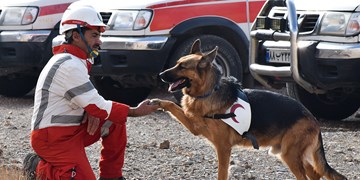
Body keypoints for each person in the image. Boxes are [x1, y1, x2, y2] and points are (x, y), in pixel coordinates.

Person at [23, 4, 159, 180]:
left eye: (99, 35)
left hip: (70, 132)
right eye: (94, 35)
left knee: (113, 121)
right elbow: (98, 105)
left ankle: (111, 177)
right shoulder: (69, 65)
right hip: (53, 139)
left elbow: (92, 102)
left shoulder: (75, 61)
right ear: (76, 36)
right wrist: (135, 111)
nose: (99, 41)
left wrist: (90, 108)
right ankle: (39, 167)